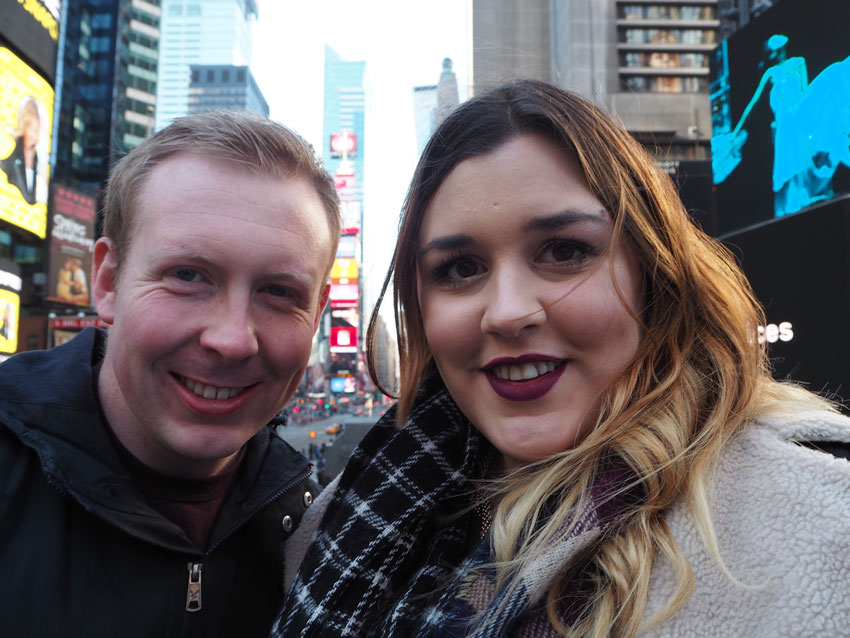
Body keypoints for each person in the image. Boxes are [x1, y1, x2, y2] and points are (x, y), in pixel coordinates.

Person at [274, 80, 850, 638]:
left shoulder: (825, 524)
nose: (506, 312)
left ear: (653, 271)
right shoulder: (334, 524)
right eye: (460, 268)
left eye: (565, 251)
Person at [0, 110, 340, 637]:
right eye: (187, 276)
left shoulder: (317, 535)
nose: (231, 339)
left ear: (316, 314)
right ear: (108, 281)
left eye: (279, 292)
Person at [712, 34, 850, 216]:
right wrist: (735, 132)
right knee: (790, 163)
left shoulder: (798, 63)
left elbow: (804, 92)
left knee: (833, 78)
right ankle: (794, 206)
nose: (779, 53)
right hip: (784, 126)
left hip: (798, 118)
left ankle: (813, 195)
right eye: (775, 51)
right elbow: (754, 104)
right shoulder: (771, 74)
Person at [1, 95, 42, 205]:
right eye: (32, 129)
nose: (35, 135)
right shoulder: (6, 163)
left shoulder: (40, 167)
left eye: (37, 130)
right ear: (23, 126)